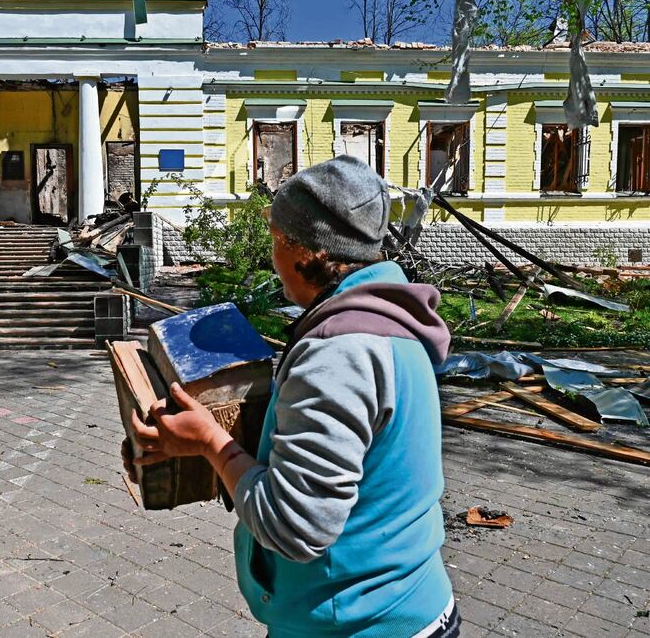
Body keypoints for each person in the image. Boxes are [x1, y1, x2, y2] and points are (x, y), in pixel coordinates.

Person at [123, 155, 459, 637]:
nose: (273, 258)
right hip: (410, 605)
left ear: (300, 249)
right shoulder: (394, 323)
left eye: (275, 241)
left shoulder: (338, 355)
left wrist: (211, 443)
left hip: (360, 625)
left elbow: (295, 526)